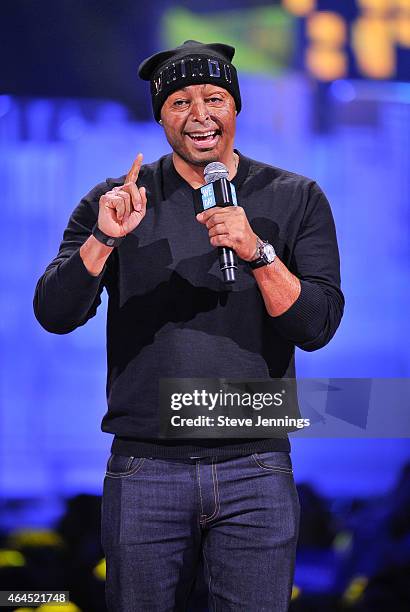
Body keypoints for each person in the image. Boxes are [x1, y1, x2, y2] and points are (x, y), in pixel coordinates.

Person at [34, 40, 344, 612]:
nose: (200, 114)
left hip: (257, 465)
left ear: (236, 107)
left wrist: (257, 252)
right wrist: (104, 239)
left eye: (215, 97)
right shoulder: (117, 201)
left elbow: (317, 325)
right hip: (145, 466)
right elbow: (54, 314)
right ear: (160, 116)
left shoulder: (297, 197)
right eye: (179, 101)